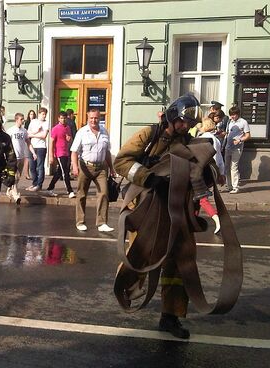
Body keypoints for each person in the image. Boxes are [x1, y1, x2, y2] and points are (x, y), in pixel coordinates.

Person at [113, 94, 205, 339]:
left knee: (179, 262)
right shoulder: (148, 135)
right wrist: (148, 177)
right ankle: (127, 286)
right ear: (173, 116)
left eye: (190, 124)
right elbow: (121, 161)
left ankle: (170, 317)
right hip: (148, 205)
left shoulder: (190, 143)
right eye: (184, 121)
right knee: (142, 253)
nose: (186, 127)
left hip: (177, 209)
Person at [70, 108, 115, 233]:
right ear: (87, 118)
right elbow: (74, 151)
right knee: (81, 194)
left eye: (96, 118)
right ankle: (80, 221)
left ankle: (102, 223)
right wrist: (75, 166)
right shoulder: (82, 132)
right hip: (85, 166)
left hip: (101, 167)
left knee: (104, 193)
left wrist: (111, 168)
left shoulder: (104, 131)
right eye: (91, 118)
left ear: (99, 118)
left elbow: (107, 152)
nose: (93, 120)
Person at [198, 117, 226, 234]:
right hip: (212, 171)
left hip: (202, 171)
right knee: (198, 198)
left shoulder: (202, 139)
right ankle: (193, 220)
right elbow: (219, 159)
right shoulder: (216, 139)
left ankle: (217, 219)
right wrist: (221, 174)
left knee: (201, 199)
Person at [45, 111, 74, 198]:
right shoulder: (55, 128)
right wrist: (50, 155)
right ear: (58, 119)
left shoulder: (68, 128)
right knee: (65, 172)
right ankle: (70, 191)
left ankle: (50, 188)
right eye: (61, 118)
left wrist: (69, 139)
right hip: (59, 153)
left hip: (66, 152)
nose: (63, 120)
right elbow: (51, 142)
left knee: (59, 172)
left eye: (64, 118)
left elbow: (70, 139)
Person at [6, 112, 33, 204]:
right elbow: (5, 143)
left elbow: (28, 142)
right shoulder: (11, 131)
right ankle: (16, 194)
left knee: (18, 177)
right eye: (21, 119)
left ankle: (10, 190)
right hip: (12, 157)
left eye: (23, 119)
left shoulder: (24, 131)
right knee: (15, 175)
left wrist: (33, 152)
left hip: (21, 156)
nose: (23, 121)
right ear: (16, 120)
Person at [224, 107, 251, 194]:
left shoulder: (243, 122)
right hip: (228, 146)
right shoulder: (229, 121)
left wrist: (240, 140)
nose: (232, 117)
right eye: (231, 115)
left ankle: (235, 187)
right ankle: (229, 186)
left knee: (234, 166)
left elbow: (248, 135)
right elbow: (228, 133)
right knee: (227, 166)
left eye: (234, 115)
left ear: (238, 114)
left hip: (237, 147)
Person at [27, 107, 49, 191]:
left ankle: (39, 185)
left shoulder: (46, 123)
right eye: (43, 114)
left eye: (45, 114)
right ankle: (34, 183)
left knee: (40, 166)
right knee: (32, 166)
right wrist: (36, 132)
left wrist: (33, 135)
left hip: (41, 147)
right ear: (39, 114)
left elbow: (44, 136)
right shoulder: (33, 122)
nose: (44, 116)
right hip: (32, 146)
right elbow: (28, 133)